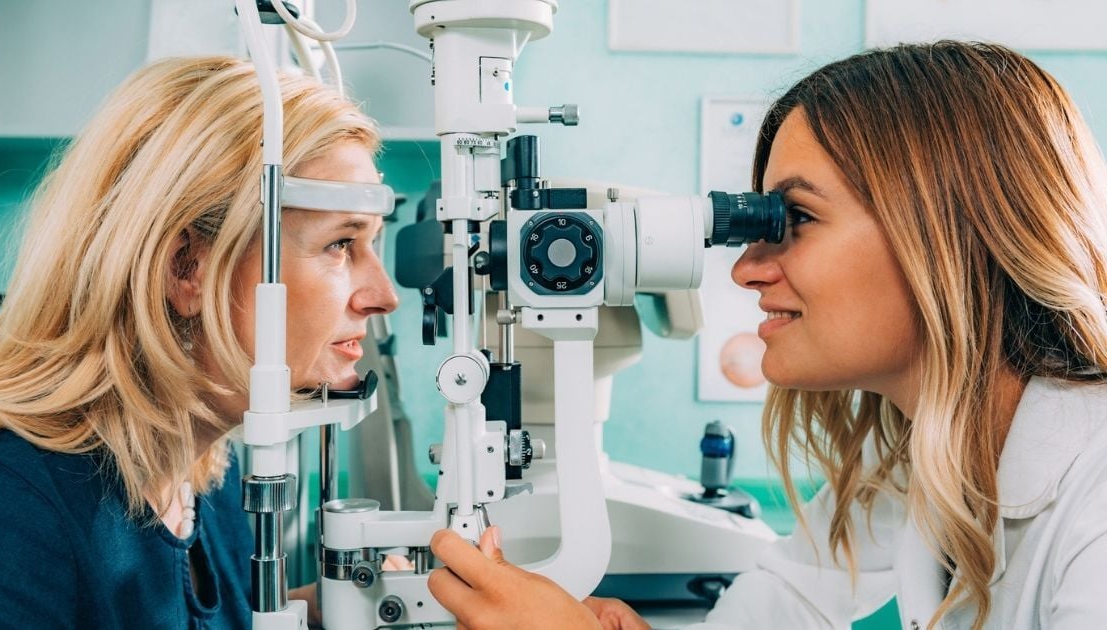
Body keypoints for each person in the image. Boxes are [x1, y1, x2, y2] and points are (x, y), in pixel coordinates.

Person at [427, 41, 1107, 630]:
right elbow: (783, 608)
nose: (748, 269)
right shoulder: (917, 456)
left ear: (949, 233)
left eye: (799, 218)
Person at [0, 56, 398, 627]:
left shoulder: (205, 474)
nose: (384, 295)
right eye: (341, 243)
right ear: (188, 267)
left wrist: (327, 614)